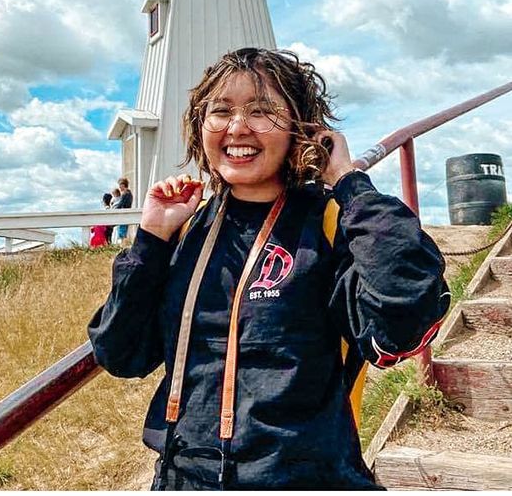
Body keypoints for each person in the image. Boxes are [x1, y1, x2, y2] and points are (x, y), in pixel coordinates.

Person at [87, 47, 448, 489]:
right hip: (183, 478)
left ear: (301, 127)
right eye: (220, 111)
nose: (238, 127)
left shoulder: (330, 226)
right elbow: (121, 354)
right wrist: (151, 241)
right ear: (201, 127)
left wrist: (350, 184)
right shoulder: (187, 232)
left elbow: (406, 314)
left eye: (261, 111)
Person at [114, 178, 133, 243]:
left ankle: (123, 246)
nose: (119, 187)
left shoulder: (125, 194)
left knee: (122, 233)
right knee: (124, 232)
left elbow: (120, 204)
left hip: (124, 215)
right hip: (127, 215)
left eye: (120, 185)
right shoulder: (129, 193)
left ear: (123, 185)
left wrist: (113, 210)